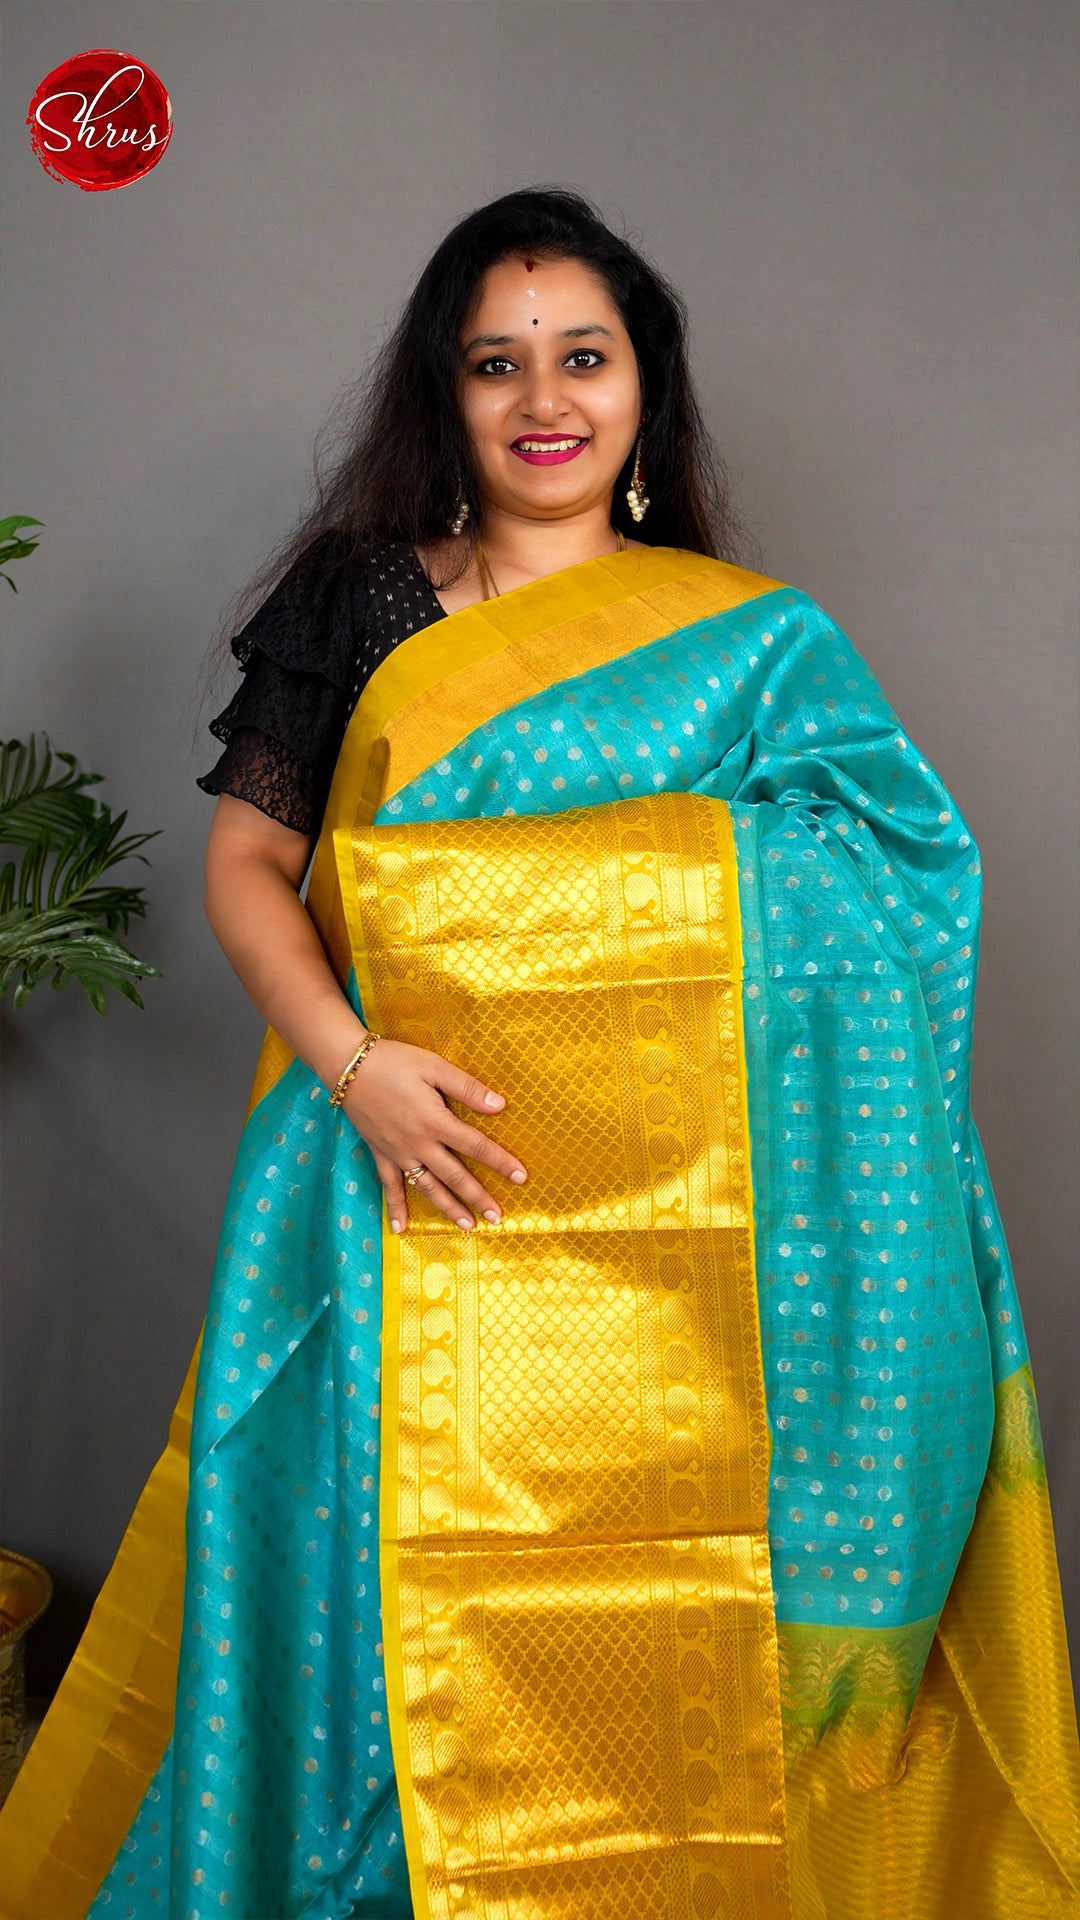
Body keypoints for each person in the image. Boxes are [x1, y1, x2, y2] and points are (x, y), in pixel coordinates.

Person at [3, 186, 1077, 1920]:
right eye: (495, 363)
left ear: (647, 385)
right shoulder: (361, 601)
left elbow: (894, 876)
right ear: (446, 393)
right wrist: (354, 1066)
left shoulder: (751, 642)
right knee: (374, 1625)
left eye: (584, 355)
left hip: (687, 1249)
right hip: (406, 1182)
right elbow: (248, 866)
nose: (544, 398)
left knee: (664, 1617)